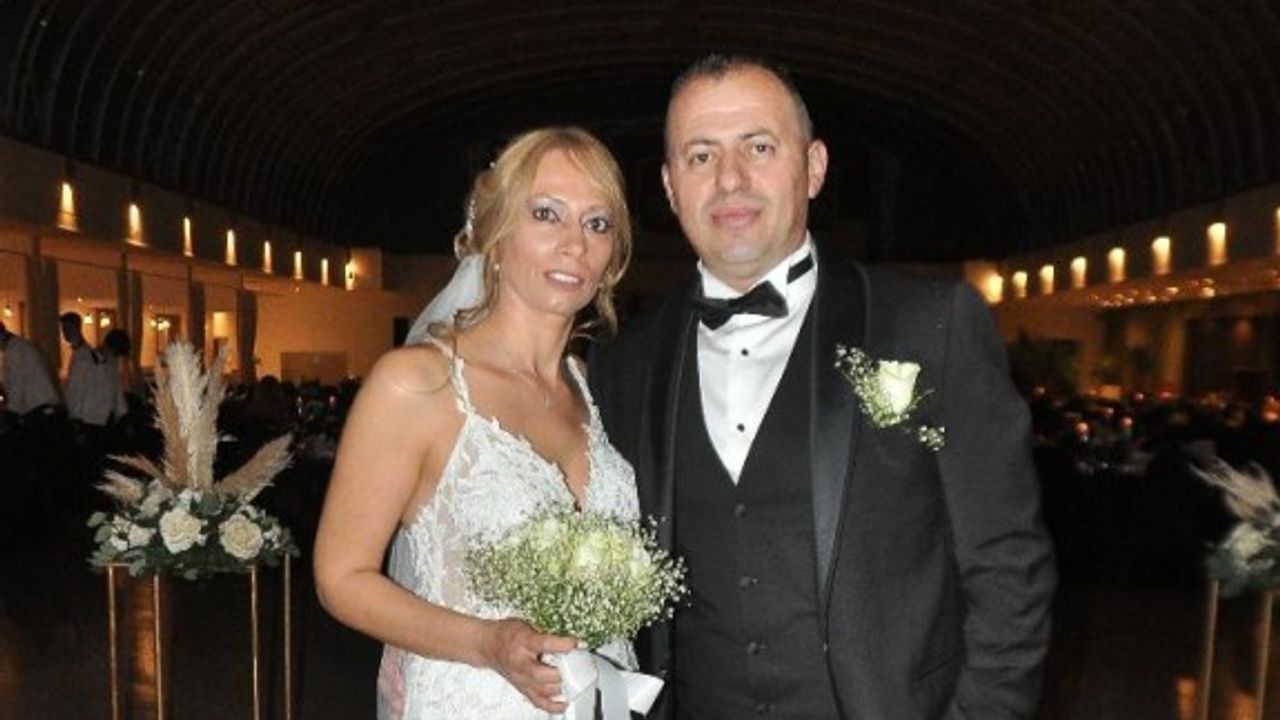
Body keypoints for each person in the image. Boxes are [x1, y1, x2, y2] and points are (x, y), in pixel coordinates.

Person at [589, 55, 1056, 720]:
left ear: (813, 167)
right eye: (701, 156)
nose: (730, 179)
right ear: (670, 186)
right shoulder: (624, 362)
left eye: (758, 147)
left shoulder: (931, 324)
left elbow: (1008, 562)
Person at [314, 126, 638, 720]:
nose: (575, 244)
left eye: (598, 223)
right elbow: (341, 577)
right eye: (546, 214)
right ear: (495, 233)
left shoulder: (594, 389)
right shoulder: (419, 383)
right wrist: (487, 643)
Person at [0, 320, 62, 420]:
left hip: (40, 411)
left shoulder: (14, 351)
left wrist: (9, 414)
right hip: (44, 409)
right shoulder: (19, 345)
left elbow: (16, 390)